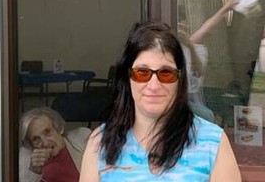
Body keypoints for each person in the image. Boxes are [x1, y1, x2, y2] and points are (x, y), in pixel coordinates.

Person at [80, 21, 241, 181]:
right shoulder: (100, 142)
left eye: (166, 73)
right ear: (127, 78)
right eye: (142, 73)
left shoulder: (212, 143)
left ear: (180, 79)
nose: (154, 85)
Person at [19, 107, 91, 182]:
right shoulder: (26, 159)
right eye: (36, 139)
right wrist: (34, 173)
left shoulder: (82, 139)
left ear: (60, 129)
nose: (45, 143)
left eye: (47, 132)